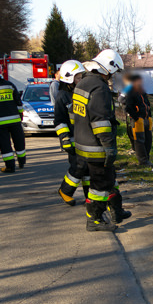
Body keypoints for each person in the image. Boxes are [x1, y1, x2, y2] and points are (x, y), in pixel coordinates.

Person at [73, 49, 131, 232]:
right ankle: (94, 219)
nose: (113, 77)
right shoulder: (100, 88)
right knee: (100, 185)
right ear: (107, 68)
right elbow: (101, 122)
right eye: (113, 72)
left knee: (109, 179)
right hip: (96, 147)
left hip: (83, 143)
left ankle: (117, 211)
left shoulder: (82, 83)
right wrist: (109, 147)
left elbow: (75, 116)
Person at [54, 60, 88, 205]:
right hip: (72, 138)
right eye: (78, 77)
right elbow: (59, 120)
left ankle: (89, 196)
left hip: (85, 137)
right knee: (78, 167)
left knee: (88, 169)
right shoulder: (62, 96)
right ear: (69, 78)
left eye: (81, 76)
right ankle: (65, 190)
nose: (81, 80)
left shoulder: (81, 92)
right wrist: (64, 138)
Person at [124, 73, 153, 167]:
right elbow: (128, 107)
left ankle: (147, 158)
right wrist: (136, 118)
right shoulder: (130, 92)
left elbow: (147, 104)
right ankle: (143, 161)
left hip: (146, 119)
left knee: (148, 140)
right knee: (139, 141)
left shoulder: (142, 91)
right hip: (137, 121)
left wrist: (149, 115)